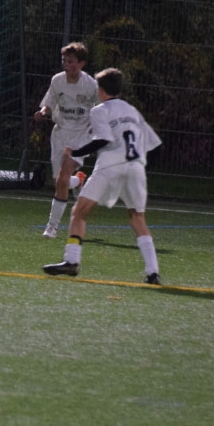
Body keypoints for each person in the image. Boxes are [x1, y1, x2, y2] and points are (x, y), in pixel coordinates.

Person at [43, 67, 163, 284]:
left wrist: (75, 152)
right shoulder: (132, 111)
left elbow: (103, 140)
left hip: (110, 165)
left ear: (100, 90)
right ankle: (153, 271)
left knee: (79, 212)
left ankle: (72, 261)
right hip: (135, 168)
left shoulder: (99, 110)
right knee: (137, 218)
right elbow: (154, 146)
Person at [33, 42, 99, 238]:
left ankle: (52, 227)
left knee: (62, 178)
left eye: (70, 61)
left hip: (81, 135)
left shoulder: (90, 85)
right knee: (59, 182)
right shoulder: (57, 81)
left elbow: (101, 107)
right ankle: (78, 182)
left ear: (81, 64)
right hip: (60, 134)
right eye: (64, 61)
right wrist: (42, 112)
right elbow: (49, 103)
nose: (66, 64)